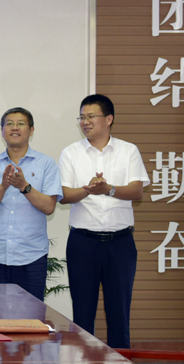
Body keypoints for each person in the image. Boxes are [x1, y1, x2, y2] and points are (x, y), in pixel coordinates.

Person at [58, 94, 149, 348]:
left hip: (120, 244)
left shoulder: (128, 150)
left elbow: (137, 191)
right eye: (82, 117)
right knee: (83, 312)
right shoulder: (70, 153)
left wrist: (108, 189)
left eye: (91, 116)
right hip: (82, 243)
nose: (85, 122)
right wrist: (88, 190)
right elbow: (64, 196)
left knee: (119, 313)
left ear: (109, 119)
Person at [0, 107, 63, 301]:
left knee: (31, 316)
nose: (14, 128)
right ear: (2, 130)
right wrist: (3, 186)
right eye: (9, 124)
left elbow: (49, 207)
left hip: (31, 257)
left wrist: (24, 186)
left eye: (21, 124)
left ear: (31, 130)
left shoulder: (46, 163)